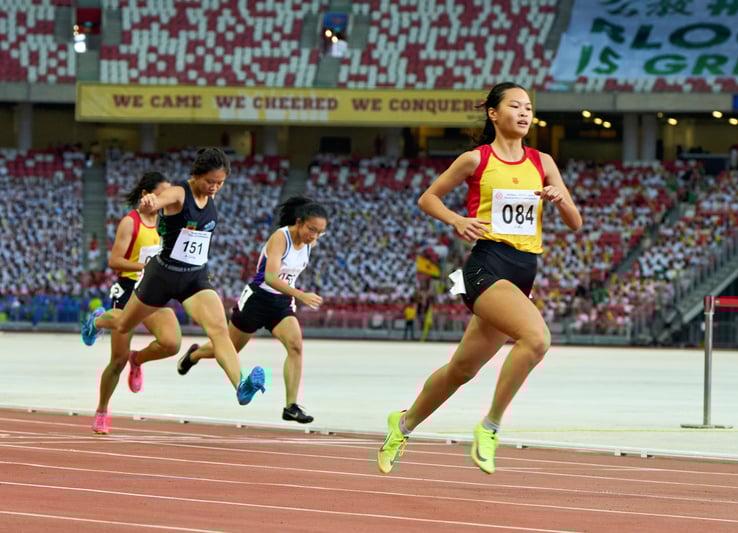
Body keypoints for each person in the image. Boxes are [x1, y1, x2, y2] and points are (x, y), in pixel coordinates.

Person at [377, 82, 582, 475]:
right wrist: (458, 220)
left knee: (462, 370)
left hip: (524, 272)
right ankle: (490, 426)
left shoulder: (544, 162)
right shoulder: (476, 160)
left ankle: (401, 425)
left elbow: (575, 222)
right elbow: (428, 198)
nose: (524, 113)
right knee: (536, 339)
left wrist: (561, 199)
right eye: (515, 106)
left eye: (529, 108)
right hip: (486, 265)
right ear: (493, 113)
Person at [81, 147, 266, 407]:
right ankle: (97, 322)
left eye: (219, 183)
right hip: (161, 275)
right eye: (209, 181)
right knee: (123, 324)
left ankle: (241, 386)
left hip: (195, 278)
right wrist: (151, 203)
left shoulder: (210, 198)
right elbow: (161, 200)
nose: (214, 187)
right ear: (196, 175)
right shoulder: (180, 192)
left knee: (220, 332)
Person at [176, 196, 327, 424]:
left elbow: (307, 244)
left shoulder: (310, 243)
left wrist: (293, 294)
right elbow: (270, 277)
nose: (313, 236)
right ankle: (194, 354)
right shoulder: (280, 237)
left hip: (282, 303)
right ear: (299, 222)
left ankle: (291, 406)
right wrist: (300, 294)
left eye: (319, 232)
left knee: (295, 346)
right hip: (258, 298)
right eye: (311, 229)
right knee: (231, 348)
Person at [91, 171, 182, 434]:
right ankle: (102, 410)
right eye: (160, 193)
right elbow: (114, 261)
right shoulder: (130, 222)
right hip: (129, 288)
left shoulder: (168, 222)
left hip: (154, 289)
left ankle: (138, 360)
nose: (165, 199)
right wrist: (146, 265)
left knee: (171, 343)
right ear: (146, 195)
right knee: (117, 361)